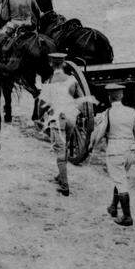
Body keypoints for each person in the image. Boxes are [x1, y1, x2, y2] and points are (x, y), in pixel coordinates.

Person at [89, 83, 135, 226]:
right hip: (130, 151)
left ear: (110, 97)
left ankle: (127, 217)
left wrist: (91, 146)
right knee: (120, 178)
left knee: (120, 182)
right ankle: (113, 207)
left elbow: (99, 133)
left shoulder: (107, 113)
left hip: (115, 151)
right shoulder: (132, 112)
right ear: (122, 96)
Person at [39, 52, 81, 196]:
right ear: (63, 64)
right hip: (71, 118)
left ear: (51, 64)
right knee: (65, 146)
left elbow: (42, 104)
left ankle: (65, 185)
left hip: (58, 119)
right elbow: (81, 100)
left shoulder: (49, 82)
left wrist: (39, 118)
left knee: (60, 152)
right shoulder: (72, 79)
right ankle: (60, 175)